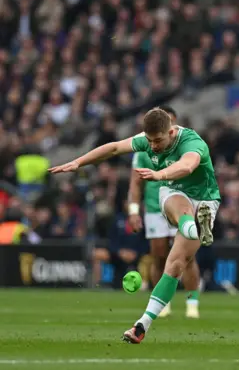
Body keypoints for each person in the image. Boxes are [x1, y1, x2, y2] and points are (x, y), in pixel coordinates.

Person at [48, 107, 221, 344]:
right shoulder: (148, 141)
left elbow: (187, 166)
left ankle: (145, 323)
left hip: (205, 199)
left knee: (176, 264)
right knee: (176, 220)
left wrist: (160, 174)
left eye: (158, 140)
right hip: (175, 192)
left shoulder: (192, 142)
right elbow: (114, 147)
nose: (153, 146)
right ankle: (191, 228)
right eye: (149, 140)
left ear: (171, 132)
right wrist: (79, 162)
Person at [128, 105, 202, 319]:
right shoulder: (144, 148)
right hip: (154, 208)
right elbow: (135, 183)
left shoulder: (187, 145)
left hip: (182, 205)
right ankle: (163, 302)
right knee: (158, 256)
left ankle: (192, 304)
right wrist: (133, 211)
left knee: (186, 257)